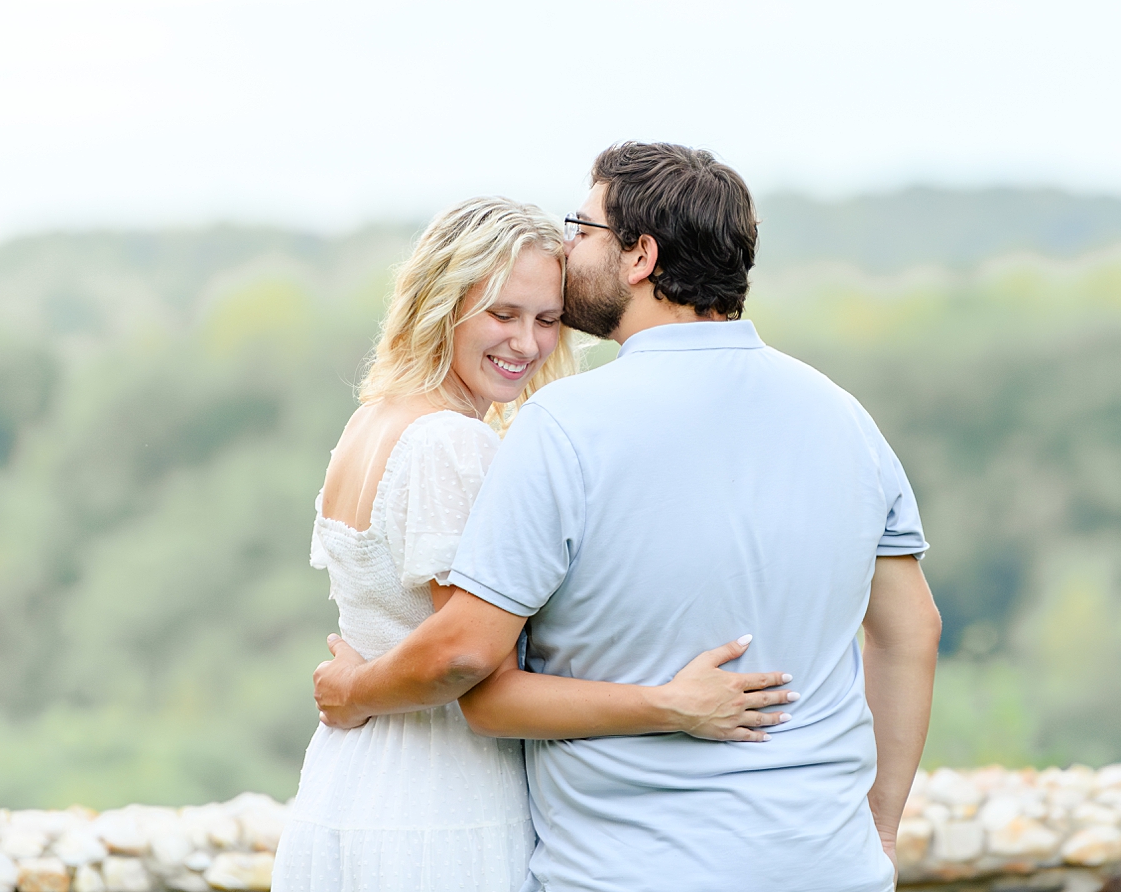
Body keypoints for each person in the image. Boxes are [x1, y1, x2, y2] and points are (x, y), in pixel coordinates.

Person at [314, 146, 943, 892]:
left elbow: (469, 669)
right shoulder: (847, 418)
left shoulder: (563, 425)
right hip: (828, 867)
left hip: (628, 871)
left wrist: (352, 691)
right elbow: (913, 632)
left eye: (584, 228)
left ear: (639, 256)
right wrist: (878, 831)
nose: (569, 247)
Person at [274, 196, 800, 892]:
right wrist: (671, 702)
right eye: (502, 313)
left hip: (344, 788)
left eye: (548, 319)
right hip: (441, 805)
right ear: (443, 300)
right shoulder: (451, 440)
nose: (526, 343)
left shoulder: (372, 420)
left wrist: (355, 689)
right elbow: (466, 657)